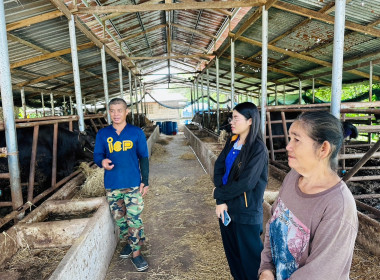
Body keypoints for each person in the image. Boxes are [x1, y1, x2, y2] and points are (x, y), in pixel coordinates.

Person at [259, 111, 358, 280]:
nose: (288, 146)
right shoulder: (293, 177)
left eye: (296, 140)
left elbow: (320, 273)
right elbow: (273, 222)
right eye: (290, 138)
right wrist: (266, 269)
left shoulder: (338, 205)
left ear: (323, 148)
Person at [213, 102, 268, 280]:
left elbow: (247, 183)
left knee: (251, 261)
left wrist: (219, 194)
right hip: (226, 209)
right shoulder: (233, 142)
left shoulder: (258, 149)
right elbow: (219, 167)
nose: (231, 122)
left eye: (236, 118)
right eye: (232, 117)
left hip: (246, 212)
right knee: (234, 257)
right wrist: (220, 201)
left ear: (250, 121)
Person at [94, 98, 150, 272]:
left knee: (134, 219)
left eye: (119, 110)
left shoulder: (136, 133)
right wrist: (102, 161)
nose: (116, 114)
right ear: (109, 113)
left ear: (127, 112)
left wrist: (145, 181)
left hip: (133, 184)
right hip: (112, 184)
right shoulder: (103, 134)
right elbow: (97, 155)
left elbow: (144, 158)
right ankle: (130, 243)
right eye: (112, 110)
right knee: (119, 219)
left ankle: (137, 254)